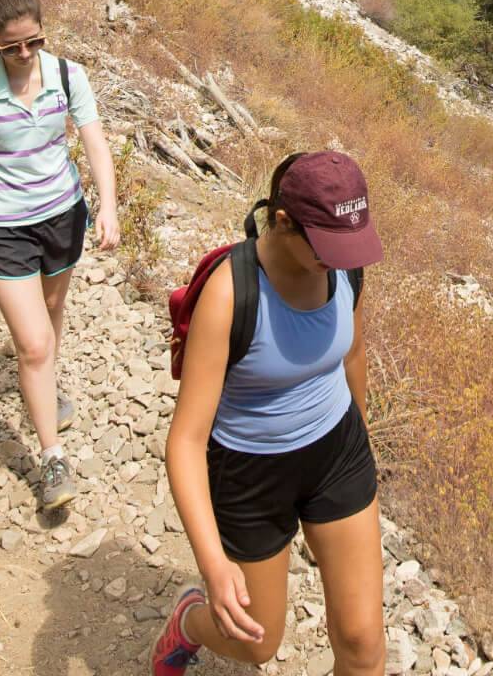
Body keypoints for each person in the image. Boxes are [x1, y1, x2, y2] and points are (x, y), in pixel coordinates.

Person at [155, 152, 386, 676]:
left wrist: (363, 443)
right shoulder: (230, 293)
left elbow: (352, 353)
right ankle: (189, 621)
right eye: (328, 247)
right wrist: (214, 564)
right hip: (251, 471)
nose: (342, 258)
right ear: (283, 221)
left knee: (363, 644)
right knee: (256, 640)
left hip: (338, 453)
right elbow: (186, 442)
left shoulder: (344, 268)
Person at [0, 0, 120, 512]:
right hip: (2, 227)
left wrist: (106, 206)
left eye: (34, 42)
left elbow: (94, 142)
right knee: (36, 344)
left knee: (51, 310)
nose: (24, 54)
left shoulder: (68, 76)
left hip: (62, 216)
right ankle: (51, 457)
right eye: (12, 46)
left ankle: (42, 389)